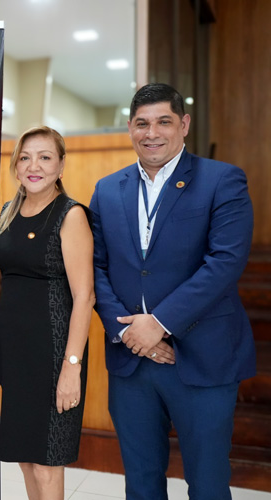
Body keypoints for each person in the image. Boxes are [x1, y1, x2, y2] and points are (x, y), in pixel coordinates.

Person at [90, 83, 255, 499]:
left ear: (183, 125)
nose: (152, 133)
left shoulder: (222, 180)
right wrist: (130, 332)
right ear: (129, 128)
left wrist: (159, 325)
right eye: (142, 123)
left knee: (207, 483)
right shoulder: (108, 190)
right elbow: (96, 266)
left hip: (203, 358)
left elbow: (224, 263)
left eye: (164, 121)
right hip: (132, 362)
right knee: (141, 483)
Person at [0, 126, 95, 499]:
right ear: (16, 166)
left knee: (47, 461)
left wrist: (72, 366)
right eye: (25, 157)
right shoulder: (7, 212)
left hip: (53, 354)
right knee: (24, 454)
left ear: (61, 166)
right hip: (15, 352)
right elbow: (1, 281)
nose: (34, 166)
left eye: (45, 157)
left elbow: (85, 297)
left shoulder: (70, 216)